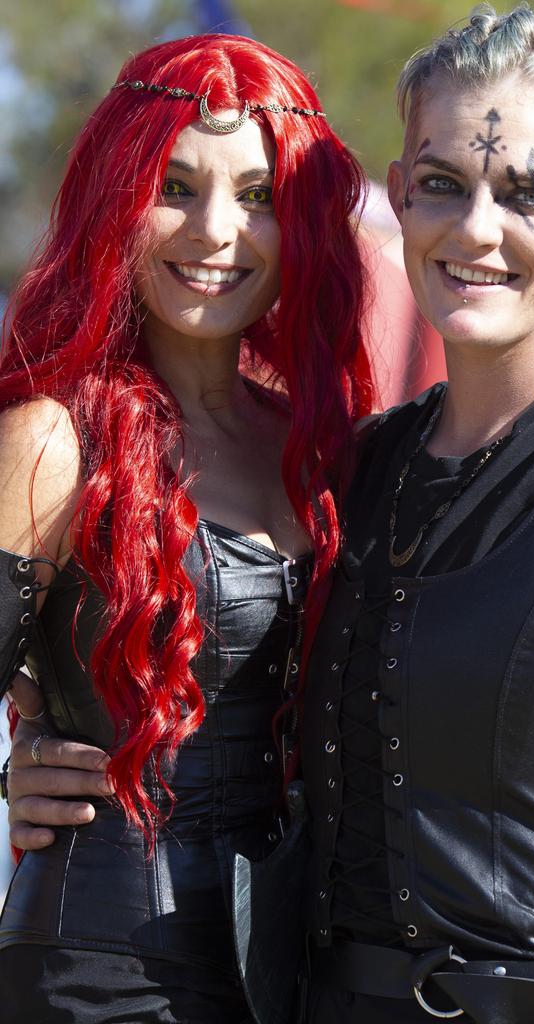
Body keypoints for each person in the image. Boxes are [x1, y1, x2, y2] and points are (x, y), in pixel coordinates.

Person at [3, 9, 534, 1024]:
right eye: (445, 182)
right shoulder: (311, 466)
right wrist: (28, 756)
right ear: (398, 195)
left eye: (528, 192)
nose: (476, 227)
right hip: (165, 987)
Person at [0, 34, 374, 1024]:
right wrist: (14, 765)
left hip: (295, 970)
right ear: (115, 199)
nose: (216, 230)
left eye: (257, 196)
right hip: (100, 972)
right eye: (176, 186)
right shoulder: (50, 437)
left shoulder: (324, 451)